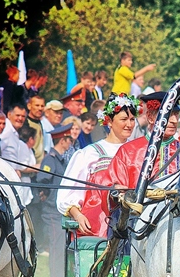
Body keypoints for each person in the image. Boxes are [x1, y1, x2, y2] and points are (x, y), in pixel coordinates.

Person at [56, 93, 138, 237]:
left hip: (134, 224)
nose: (129, 124)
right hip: (99, 225)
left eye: (132, 119)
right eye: (124, 119)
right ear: (109, 121)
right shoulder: (90, 153)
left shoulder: (138, 152)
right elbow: (67, 193)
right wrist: (78, 215)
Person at [106, 91, 180, 194]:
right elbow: (110, 186)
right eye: (168, 114)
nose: (174, 120)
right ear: (150, 117)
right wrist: (115, 191)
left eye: (176, 114)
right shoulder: (128, 152)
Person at [37, 122, 78, 277]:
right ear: (63, 140)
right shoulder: (50, 159)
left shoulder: (60, 160)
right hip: (52, 212)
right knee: (57, 251)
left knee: (62, 250)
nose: (71, 143)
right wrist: (45, 195)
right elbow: (42, 180)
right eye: (69, 140)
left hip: (60, 212)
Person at [25, 94, 47, 165]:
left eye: (42, 106)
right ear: (29, 106)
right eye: (37, 105)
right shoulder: (25, 124)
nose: (40, 108)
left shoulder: (40, 123)